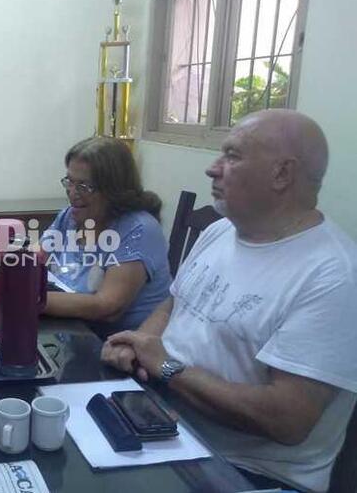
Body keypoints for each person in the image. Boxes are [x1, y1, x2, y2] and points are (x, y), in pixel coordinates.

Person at [102, 109, 357, 493]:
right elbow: (173, 305)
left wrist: (167, 367)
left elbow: (287, 420)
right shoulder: (222, 230)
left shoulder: (333, 276)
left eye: (233, 156)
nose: (213, 168)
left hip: (246, 473)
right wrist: (137, 346)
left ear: (282, 174)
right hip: (164, 423)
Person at [40, 136, 171, 331]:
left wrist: (30, 298)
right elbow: (36, 256)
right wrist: (3, 273)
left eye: (84, 186)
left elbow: (106, 307)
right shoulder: (70, 216)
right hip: (72, 331)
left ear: (113, 190)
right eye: (69, 181)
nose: (72, 192)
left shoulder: (139, 230)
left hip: (120, 349)